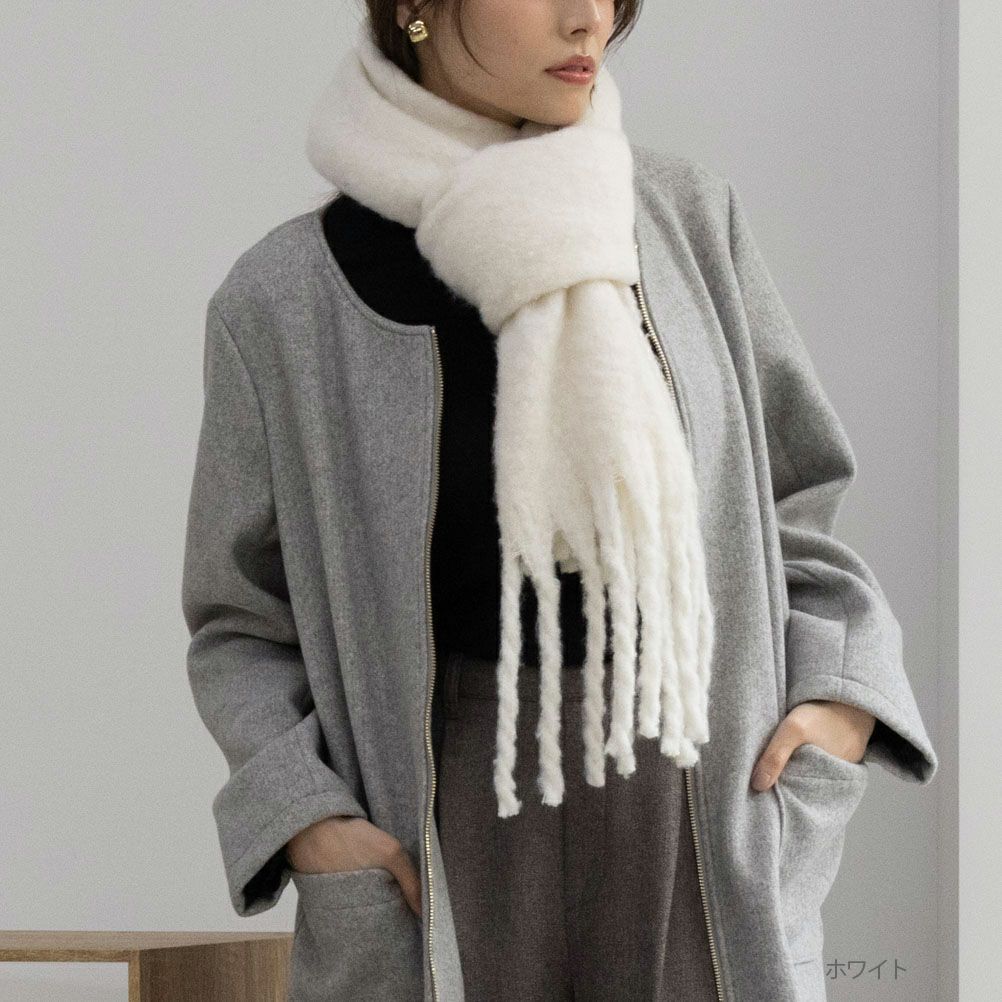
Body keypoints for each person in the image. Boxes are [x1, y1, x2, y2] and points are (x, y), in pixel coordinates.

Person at [181, 3, 938, 1001]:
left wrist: (838, 704)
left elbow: (799, 503)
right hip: (441, 821)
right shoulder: (283, 301)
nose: (589, 18)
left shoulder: (686, 224)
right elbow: (239, 620)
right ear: (414, 7)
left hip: (695, 789)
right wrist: (308, 820)